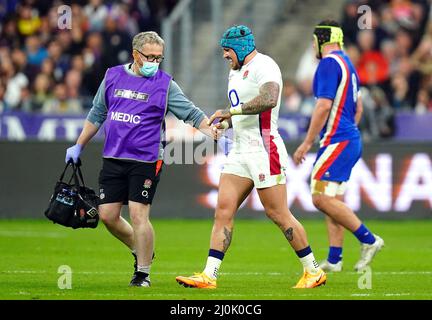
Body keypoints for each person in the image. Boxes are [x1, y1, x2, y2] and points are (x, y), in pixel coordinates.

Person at [175, 25, 327, 289]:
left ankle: (313, 270)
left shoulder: (265, 65)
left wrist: (231, 113)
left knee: (277, 213)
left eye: (227, 50)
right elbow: (243, 115)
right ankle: (209, 275)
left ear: (240, 47)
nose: (224, 56)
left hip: (264, 148)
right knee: (223, 210)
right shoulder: (234, 73)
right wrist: (223, 125)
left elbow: (269, 98)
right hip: (240, 149)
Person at [65, 31, 214, 287]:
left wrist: (214, 132)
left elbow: (190, 112)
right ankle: (141, 248)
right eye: (150, 57)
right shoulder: (112, 76)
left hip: (146, 158)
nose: (154, 62)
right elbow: (97, 113)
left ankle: (142, 273)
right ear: (135, 54)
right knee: (108, 216)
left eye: (159, 58)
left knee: (138, 215)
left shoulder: (165, 84)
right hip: (113, 156)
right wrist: (78, 145)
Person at [293, 20, 384, 272]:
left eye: (314, 41)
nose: (313, 45)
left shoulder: (329, 63)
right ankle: (335, 259)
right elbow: (359, 107)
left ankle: (369, 239)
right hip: (347, 138)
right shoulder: (348, 64)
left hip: (337, 140)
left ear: (323, 40)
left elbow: (323, 106)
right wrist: (348, 130)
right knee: (332, 198)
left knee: (320, 198)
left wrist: (307, 141)